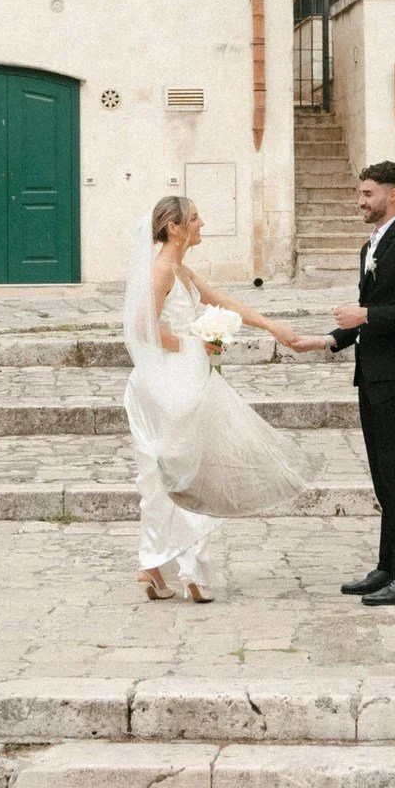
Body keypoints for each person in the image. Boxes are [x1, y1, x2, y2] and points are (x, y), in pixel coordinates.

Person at [124, 195, 324, 602]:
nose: (202, 223)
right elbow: (142, 330)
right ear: (175, 228)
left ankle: (152, 566)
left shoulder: (180, 268)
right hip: (168, 383)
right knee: (191, 473)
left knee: (167, 474)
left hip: (180, 379)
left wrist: (272, 326)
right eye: (194, 218)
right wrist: (196, 344)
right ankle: (190, 571)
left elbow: (222, 301)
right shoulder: (161, 270)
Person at [325, 160, 395, 606]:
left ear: (392, 195)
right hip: (371, 373)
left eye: (368, 194)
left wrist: (365, 315)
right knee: (381, 475)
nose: (360, 201)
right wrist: (328, 339)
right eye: (360, 193)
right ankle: (388, 567)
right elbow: (365, 314)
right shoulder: (370, 246)